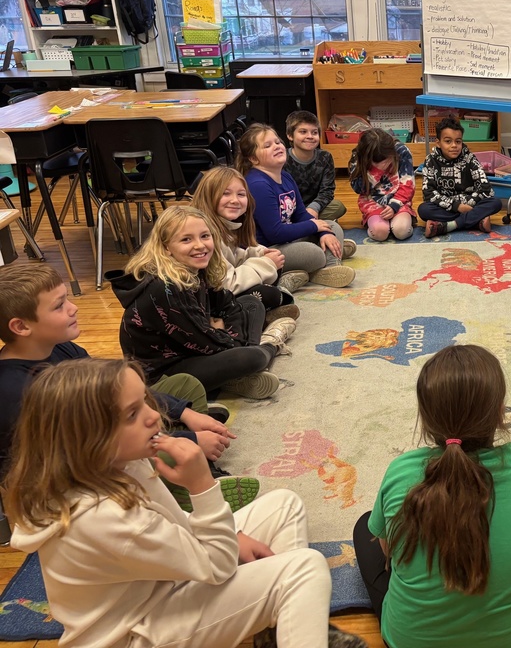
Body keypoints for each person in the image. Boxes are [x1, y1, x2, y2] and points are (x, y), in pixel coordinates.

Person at [5, 358, 366, 648]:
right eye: (132, 414)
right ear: (88, 438)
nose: (152, 415)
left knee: (283, 504)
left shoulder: (119, 462)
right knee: (303, 567)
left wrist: (229, 534)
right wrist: (202, 485)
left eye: (144, 401)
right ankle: (288, 613)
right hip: (137, 633)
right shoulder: (104, 517)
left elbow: (178, 527)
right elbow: (217, 566)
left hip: (161, 591)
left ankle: (278, 629)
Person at [353, 345, 511, 648]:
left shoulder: (401, 471)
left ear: (425, 417)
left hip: (409, 641)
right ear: (500, 410)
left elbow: (389, 553)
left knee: (366, 528)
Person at [0, 262, 236, 471]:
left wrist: (185, 413)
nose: (74, 308)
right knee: (144, 460)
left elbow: (114, 389)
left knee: (185, 385)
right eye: (59, 305)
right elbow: (92, 445)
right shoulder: (15, 390)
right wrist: (187, 439)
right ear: (21, 327)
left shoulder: (62, 348)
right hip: (79, 465)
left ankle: (188, 442)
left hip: (106, 425)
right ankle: (197, 474)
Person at [111, 206, 297, 401]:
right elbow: (210, 343)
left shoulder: (193, 267)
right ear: (166, 247)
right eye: (186, 239)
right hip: (164, 376)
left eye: (205, 236)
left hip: (196, 349)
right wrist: (225, 335)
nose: (200, 245)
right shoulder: (164, 288)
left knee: (251, 302)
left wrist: (221, 330)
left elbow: (229, 305)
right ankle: (268, 344)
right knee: (252, 357)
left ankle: (239, 371)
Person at [238, 123, 357, 289]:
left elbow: (300, 214)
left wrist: (322, 231)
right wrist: (313, 226)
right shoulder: (258, 184)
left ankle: (331, 268)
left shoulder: (285, 176)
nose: (277, 147)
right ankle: (325, 261)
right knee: (314, 253)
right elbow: (275, 233)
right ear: (253, 158)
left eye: (277, 142)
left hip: (287, 238)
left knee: (332, 227)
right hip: (268, 249)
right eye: (267, 145)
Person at [192, 165, 306, 312]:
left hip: (224, 289)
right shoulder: (205, 234)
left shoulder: (226, 227)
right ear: (208, 196)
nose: (235, 200)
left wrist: (259, 254)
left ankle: (275, 297)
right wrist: (265, 263)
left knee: (274, 260)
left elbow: (233, 259)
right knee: (268, 294)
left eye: (241, 194)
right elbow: (226, 284)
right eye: (225, 194)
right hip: (208, 301)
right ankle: (268, 311)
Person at [418, 117, 502, 238]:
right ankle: (476, 221)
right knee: (424, 209)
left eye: (458, 141)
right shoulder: (430, 160)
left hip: (469, 204)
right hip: (447, 206)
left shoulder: (470, 158)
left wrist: (464, 205)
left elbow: (486, 189)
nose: (454, 146)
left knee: (495, 203)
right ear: (438, 143)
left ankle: (449, 225)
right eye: (448, 141)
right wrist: (456, 206)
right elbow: (429, 194)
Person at [348, 127, 415, 242]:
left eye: (387, 159)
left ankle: (403, 220)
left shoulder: (401, 151)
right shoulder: (358, 157)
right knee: (380, 233)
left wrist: (395, 205)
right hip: (372, 203)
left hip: (399, 201)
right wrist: (376, 171)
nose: (386, 163)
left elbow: (408, 184)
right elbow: (359, 189)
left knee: (401, 231)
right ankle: (373, 223)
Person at [284, 110, 347, 221]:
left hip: (315, 205)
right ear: (290, 135)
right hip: (289, 207)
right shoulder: (282, 158)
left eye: (314, 132)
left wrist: (314, 208)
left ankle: (304, 221)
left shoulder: (325, 157)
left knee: (338, 207)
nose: (310, 136)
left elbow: (327, 190)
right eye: (303, 132)